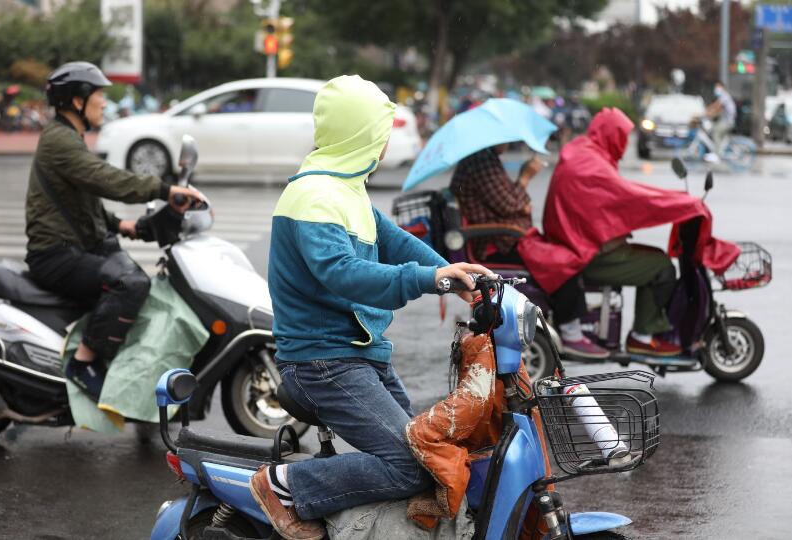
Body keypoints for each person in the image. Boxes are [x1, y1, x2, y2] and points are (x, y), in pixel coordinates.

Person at [251, 75, 491, 540]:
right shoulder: (314, 197)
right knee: (409, 464)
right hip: (323, 362)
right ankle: (283, 486)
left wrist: (455, 275)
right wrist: (428, 280)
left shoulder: (348, 190)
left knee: (424, 451)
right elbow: (341, 273)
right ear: (359, 135)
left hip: (360, 355)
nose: (383, 146)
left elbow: (396, 241)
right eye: (379, 135)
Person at [25, 61, 200, 400]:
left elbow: (82, 202)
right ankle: (83, 362)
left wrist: (126, 226)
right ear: (78, 101)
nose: (105, 102)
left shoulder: (67, 138)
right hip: (56, 255)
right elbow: (106, 180)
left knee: (127, 268)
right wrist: (164, 190)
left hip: (75, 246)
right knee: (128, 284)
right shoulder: (59, 141)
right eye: (99, 95)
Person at [518, 107, 738, 357]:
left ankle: (645, 330)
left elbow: (620, 195)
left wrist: (676, 201)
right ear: (611, 134)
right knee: (661, 266)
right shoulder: (591, 163)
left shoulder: (583, 153)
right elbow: (630, 197)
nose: (624, 144)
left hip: (579, 242)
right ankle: (642, 336)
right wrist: (681, 203)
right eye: (622, 136)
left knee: (653, 258)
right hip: (586, 252)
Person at [450, 146, 609, 359]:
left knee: (562, 253)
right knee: (565, 262)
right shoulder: (481, 162)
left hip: (508, 237)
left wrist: (522, 201)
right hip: (499, 242)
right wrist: (525, 176)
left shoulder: (486, 159)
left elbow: (512, 202)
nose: (509, 144)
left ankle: (567, 320)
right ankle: (571, 332)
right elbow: (512, 203)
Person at [703, 81, 736, 163]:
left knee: (716, 132)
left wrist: (706, 111)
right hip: (725, 120)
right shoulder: (723, 97)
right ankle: (715, 150)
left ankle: (717, 155)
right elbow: (718, 111)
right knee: (713, 128)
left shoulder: (725, 96)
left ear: (723, 88)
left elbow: (716, 106)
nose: (716, 89)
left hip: (728, 122)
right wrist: (709, 114)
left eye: (718, 87)